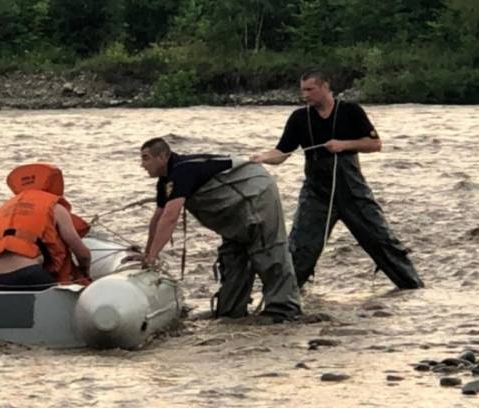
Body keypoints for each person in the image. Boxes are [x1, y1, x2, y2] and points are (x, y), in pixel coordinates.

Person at [250, 69, 424, 290]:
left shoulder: (351, 111)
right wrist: (263, 158)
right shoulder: (299, 118)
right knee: (301, 248)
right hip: (316, 194)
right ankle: (285, 298)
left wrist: (343, 145)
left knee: (382, 241)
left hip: (353, 191)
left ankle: (413, 288)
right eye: (302, 90)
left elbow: (375, 144)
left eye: (310, 89)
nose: (305, 95)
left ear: (324, 87)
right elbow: (282, 152)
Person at [136, 137, 301, 323]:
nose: (142, 165)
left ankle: (284, 311)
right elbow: (158, 217)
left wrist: (153, 256)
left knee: (268, 252)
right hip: (234, 209)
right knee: (232, 257)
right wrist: (147, 254)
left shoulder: (182, 171)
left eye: (146, 158)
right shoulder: (165, 181)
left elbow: (170, 217)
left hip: (256, 194)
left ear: (164, 156)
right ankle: (231, 312)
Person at [0, 163, 91, 291]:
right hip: (30, 275)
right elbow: (83, 254)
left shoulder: (5, 207)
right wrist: (84, 272)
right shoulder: (55, 207)